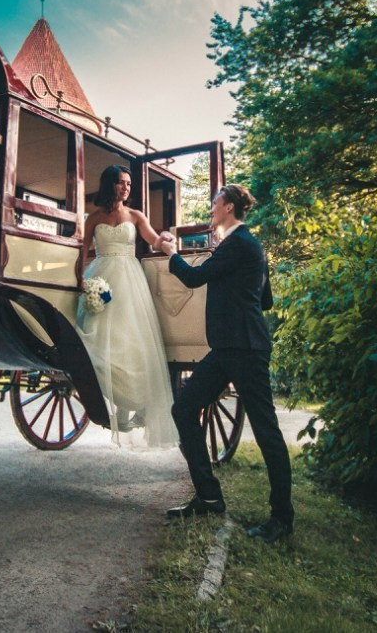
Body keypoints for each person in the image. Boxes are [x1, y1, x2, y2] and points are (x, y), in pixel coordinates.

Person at [157, 184, 293, 543]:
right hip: (228, 349)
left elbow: (193, 277)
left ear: (229, 207)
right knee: (184, 408)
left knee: (267, 432)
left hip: (246, 350)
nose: (211, 209)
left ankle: (282, 519)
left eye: (215, 204)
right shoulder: (245, 247)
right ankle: (209, 496)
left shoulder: (241, 244)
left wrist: (171, 251)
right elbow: (264, 298)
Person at [77, 165, 178, 449]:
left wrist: (165, 239)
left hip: (129, 281)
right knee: (98, 336)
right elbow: (82, 252)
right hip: (100, 280)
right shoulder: (93, 218)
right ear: (109, 184)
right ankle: (112, 401)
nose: (126, 188)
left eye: (129, 184)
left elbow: (154, 240)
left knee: (129, 340)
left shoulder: (136, 216)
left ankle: (132, 406)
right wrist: (79, 281)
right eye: (121, 183)